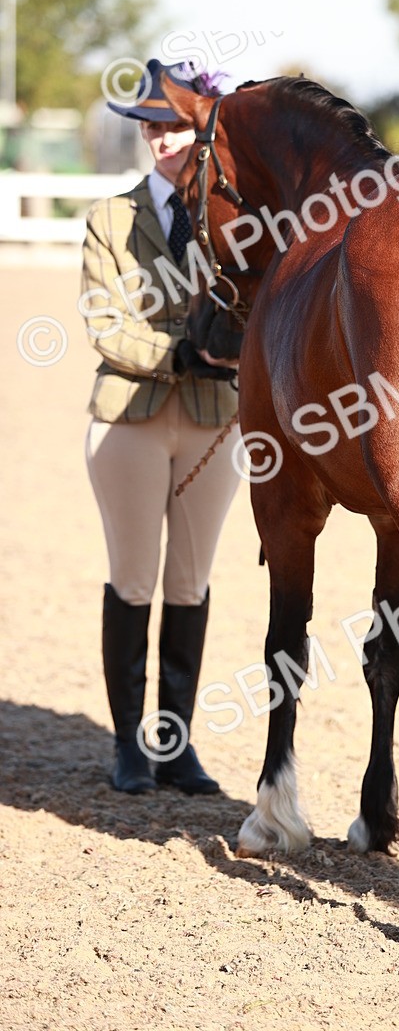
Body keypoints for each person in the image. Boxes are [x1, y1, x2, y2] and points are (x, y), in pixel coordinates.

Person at [81, 58, 240, 796]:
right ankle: (128, 747)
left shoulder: (227, 214)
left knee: (190, 584)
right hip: (132, 421)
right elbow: (106, 326)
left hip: (212, 422)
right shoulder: (111, 219)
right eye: (157, 127)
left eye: (179, 126)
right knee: (134, 580)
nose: (166, 139)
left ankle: (175, 747)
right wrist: (183, 352)